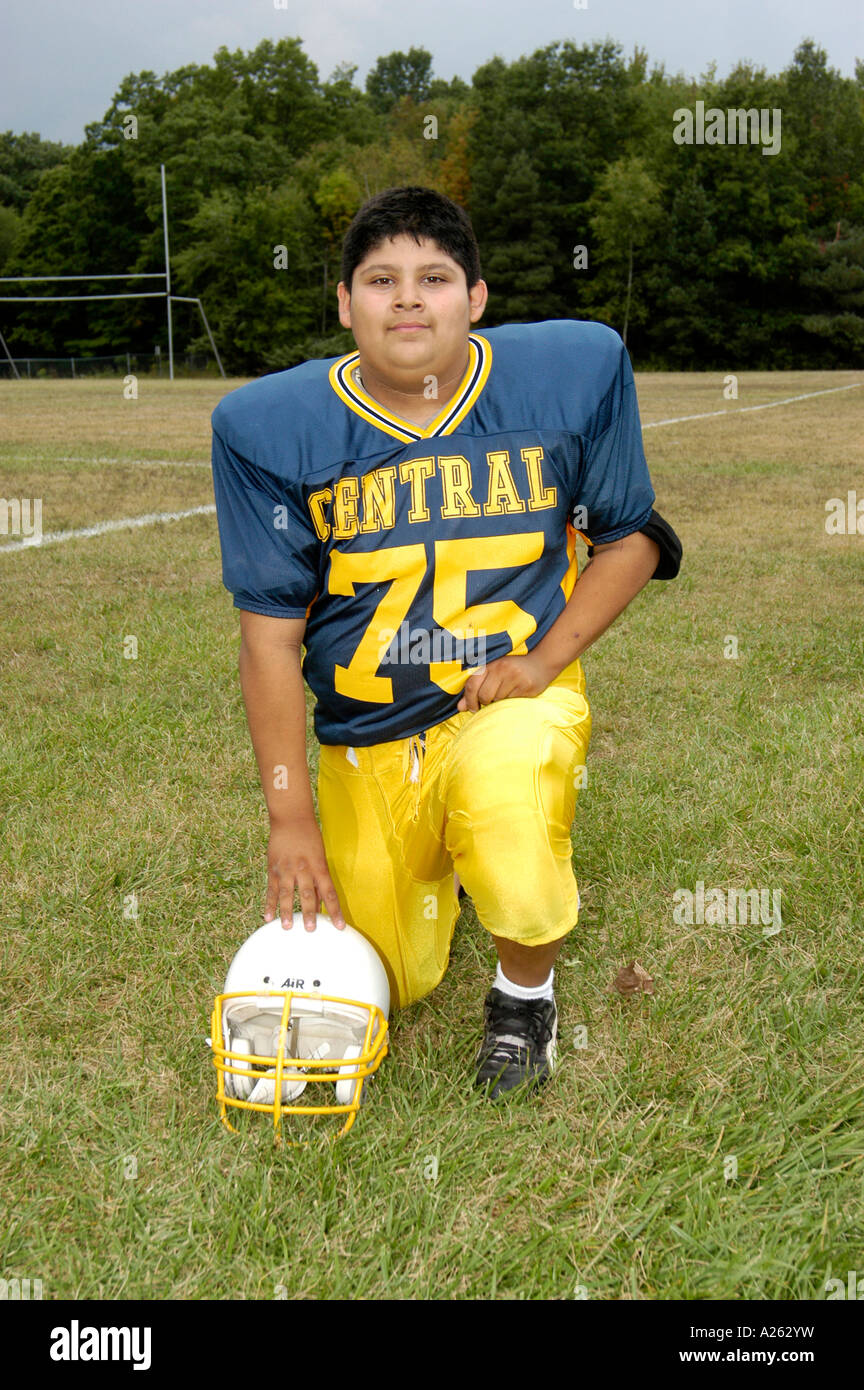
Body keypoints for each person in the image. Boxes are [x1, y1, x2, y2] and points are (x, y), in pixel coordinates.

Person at [210, 185, 681, 1099]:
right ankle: (449, 859)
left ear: (477, 297)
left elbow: (635, 536)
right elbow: (267, 642)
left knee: (508, 797)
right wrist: (289, 818)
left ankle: (524, 998)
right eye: (381, 279)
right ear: (345, 304)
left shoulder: (570, 372)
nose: (408, 298)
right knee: (394, 972)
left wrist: (543, 662)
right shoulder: (269, 428)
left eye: (434, 277)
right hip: (370, 730)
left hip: (505, 692)